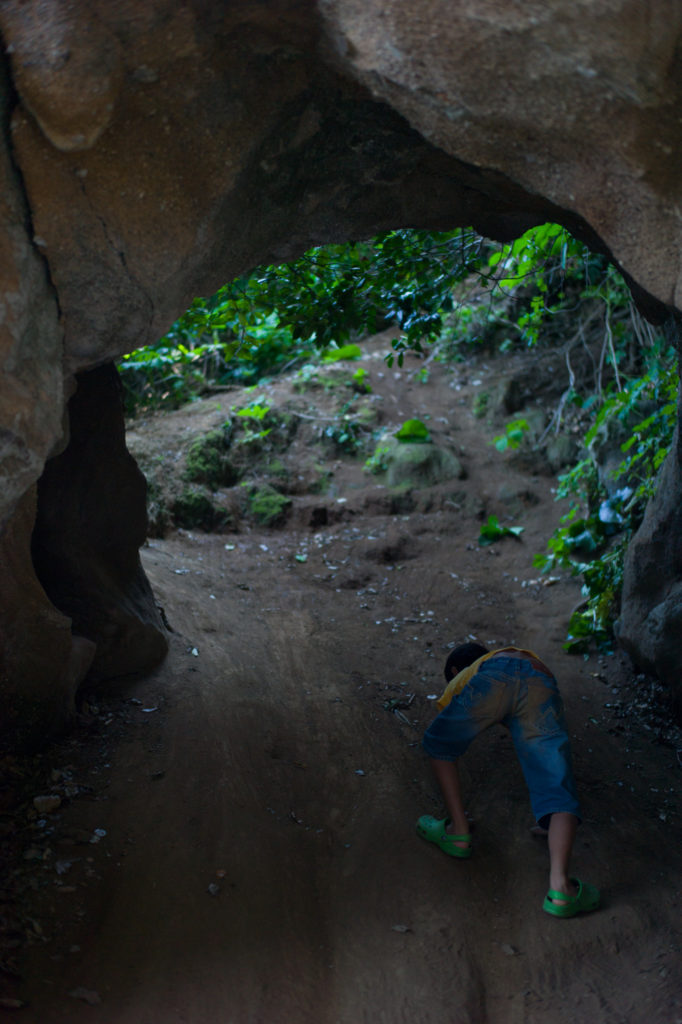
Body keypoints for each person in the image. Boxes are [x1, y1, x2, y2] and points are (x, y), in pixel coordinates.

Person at [417, 641, 600, 918]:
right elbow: (518, 715)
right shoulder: (513, 655)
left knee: (438, 743)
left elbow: (448, 727)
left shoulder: (469, 674)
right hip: (541, 679)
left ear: (455, 671)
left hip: (497, 676)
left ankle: (457, 831)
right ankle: (561, 887)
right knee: (556, 784)